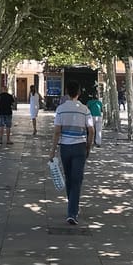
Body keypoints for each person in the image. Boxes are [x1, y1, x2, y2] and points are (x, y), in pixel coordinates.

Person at [49, 81, 93, 225]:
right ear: (79, 93)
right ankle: (72, 211)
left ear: (67, 92)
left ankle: (72, 207)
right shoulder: (85, 109)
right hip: (80, 147)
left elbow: (57, 131)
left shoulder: (61, 109)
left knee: (69, 178)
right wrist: (88, 146)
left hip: (65, 148)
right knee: (77, 179)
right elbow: (91, 130)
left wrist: (52, 151)